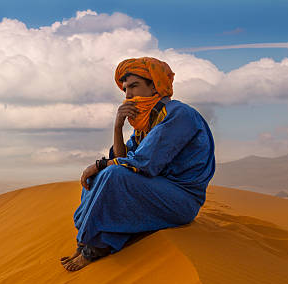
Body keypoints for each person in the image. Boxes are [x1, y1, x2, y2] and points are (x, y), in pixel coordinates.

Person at [61, 57, 215, 272]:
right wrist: (117, 127)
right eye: (125, 90)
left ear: (155, 86)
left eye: (134, 86)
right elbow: (126, 157)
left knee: (111, 174)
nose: (128, 96)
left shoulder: (178, 115)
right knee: (101, 176)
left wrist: (99, 164)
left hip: (181, 200)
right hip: (155, 190)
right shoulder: (146, 122)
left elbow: (145, 163)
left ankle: (95, 247)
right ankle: (86, 240)